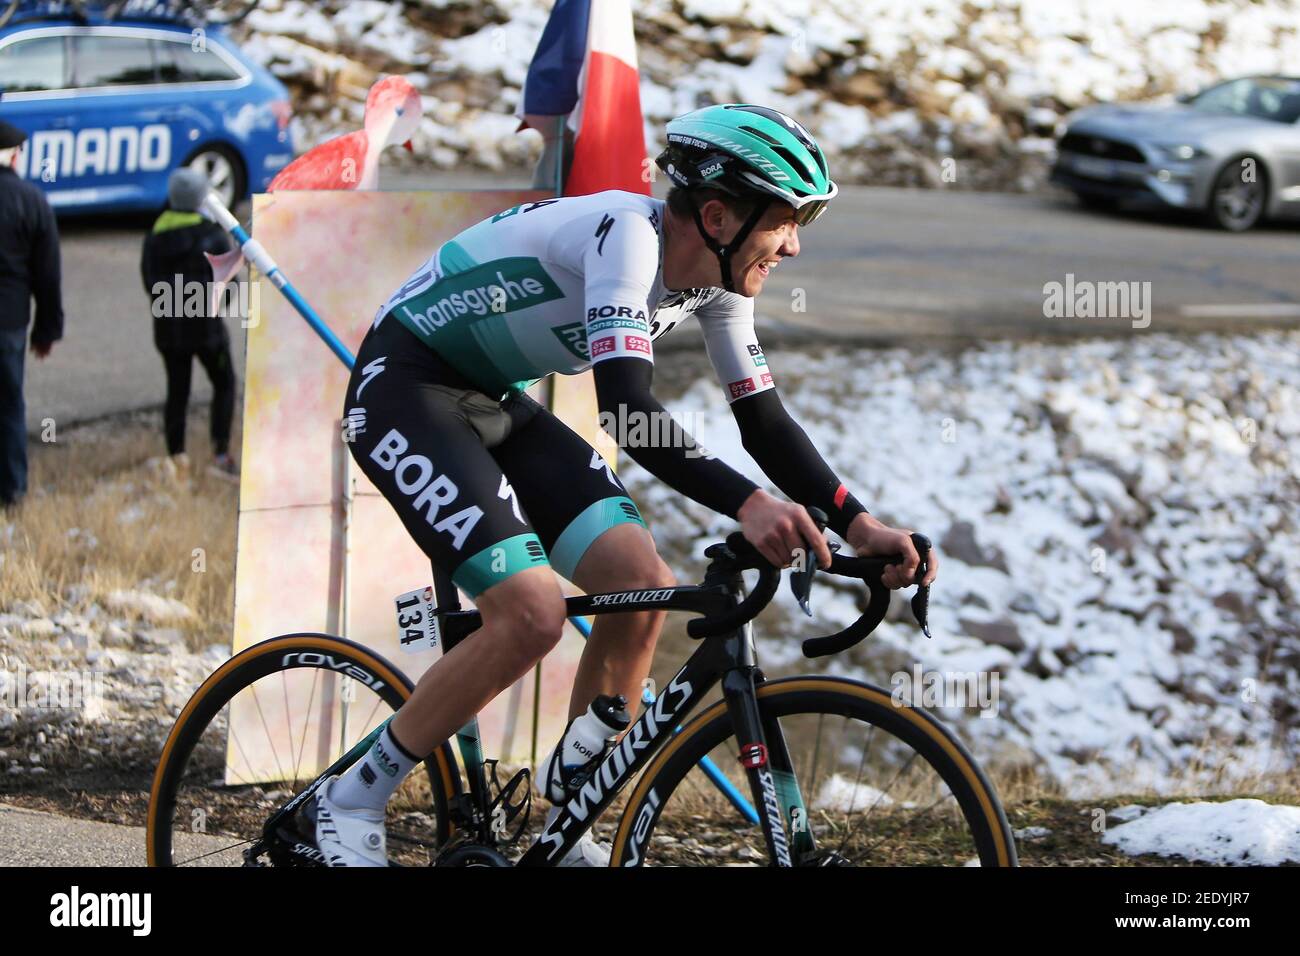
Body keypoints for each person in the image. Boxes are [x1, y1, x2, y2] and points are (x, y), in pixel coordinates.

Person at [312, 103, 940, 866]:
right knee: (533, 614)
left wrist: (858, 523)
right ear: (716, 216)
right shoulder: (627, 238)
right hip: (406, 389)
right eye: (784, 223)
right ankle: (350, 796)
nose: (795, 247)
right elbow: (627, 409)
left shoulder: (719, 283)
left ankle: (571, 808)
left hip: (495, 399)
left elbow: (763, 420)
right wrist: (749, 505)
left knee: (642, 585)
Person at [140, 168, 238, 480]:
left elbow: (149, 281)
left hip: (169, 331)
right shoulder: (212, 235)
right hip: (206, 330)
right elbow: (230, 286)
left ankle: (176, 455)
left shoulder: (155, 235)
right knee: (224, 383)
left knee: (177, 390)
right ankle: (220, 451)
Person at [0, 119, 62, 510]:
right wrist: (46, 331)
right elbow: (47, 274)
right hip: (8, 322)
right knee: (8, 404)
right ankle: (12, 490)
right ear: (14, 155)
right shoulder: (31, 200)